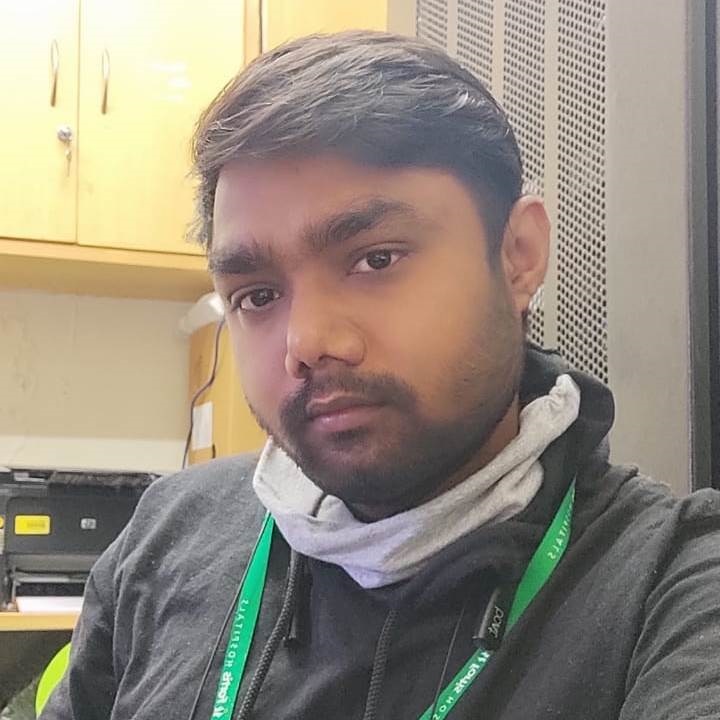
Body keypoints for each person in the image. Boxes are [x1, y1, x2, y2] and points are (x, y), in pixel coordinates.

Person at [41, 31, 720, 720]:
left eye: (376, 260)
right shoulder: (165, 535)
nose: (307, 343)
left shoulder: (674, 586)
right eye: (258, 295)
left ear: (518, 255)